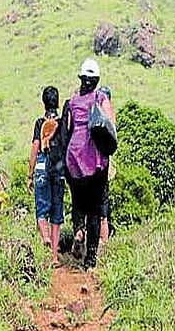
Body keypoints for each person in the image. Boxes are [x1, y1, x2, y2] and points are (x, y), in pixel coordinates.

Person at [62, 58, 114, 269]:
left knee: (78, 201)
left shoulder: (73, 101)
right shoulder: (101, 97)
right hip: (95, 159)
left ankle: (78, 230)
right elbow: (111, 125)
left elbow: (68, 129)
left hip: (74, 156)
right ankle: (91, 257)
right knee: (94, 209)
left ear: (82, 79)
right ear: (97, 79)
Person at [28, 86, 66, 266]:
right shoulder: (62, 123)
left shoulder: (39, 123)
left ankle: (45, 237)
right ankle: (54, 257)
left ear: (44, 102)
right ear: (57, 102)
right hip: (58, 169)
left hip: (43, 168)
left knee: (41, 210)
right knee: (56, 215)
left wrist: (30, 174)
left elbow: (36, 148)